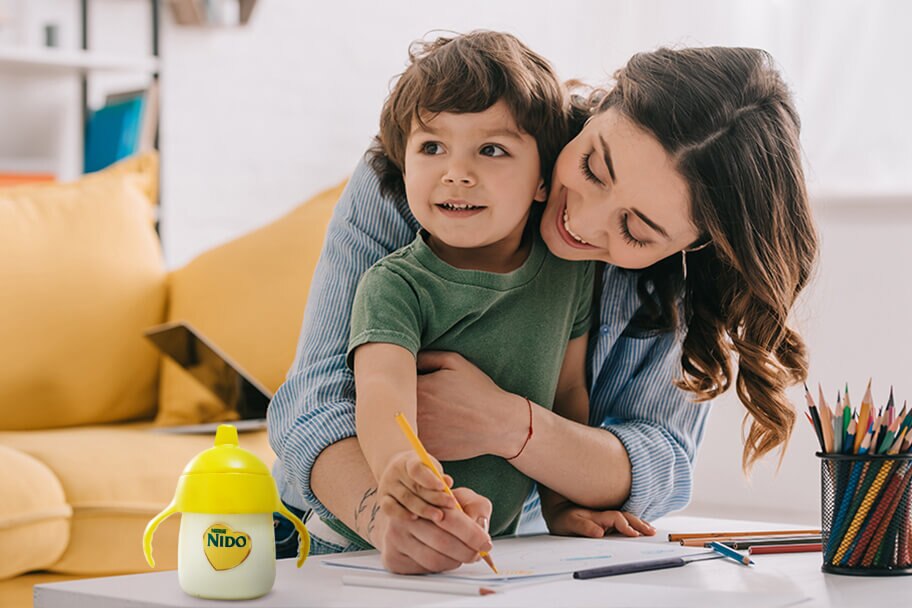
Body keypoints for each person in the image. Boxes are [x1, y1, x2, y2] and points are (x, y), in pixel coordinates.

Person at [269, 42, 818, 574]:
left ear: (693, 243)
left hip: (514, 552)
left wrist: (510, 426)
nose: (581, 223)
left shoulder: (668, 279)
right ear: (602, 108)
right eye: (593, 169)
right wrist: (390, 518)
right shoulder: (416, 175)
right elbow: (312, 404)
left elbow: (661, 461)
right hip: (340, 531)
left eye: (635, 229)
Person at [326, 31, 652, 554]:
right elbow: (381, 393)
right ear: (404, 164)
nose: (457, 173)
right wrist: (400, 471)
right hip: (353, 546)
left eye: (492, 150)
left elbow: (567, 394)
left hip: (480, 547)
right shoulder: (393, 285)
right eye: (432, 147)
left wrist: (561, 501)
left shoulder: (568, 276)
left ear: (545, 180)